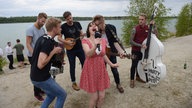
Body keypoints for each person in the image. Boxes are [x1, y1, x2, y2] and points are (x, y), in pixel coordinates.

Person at [80, 22, 118, 108]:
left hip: (101, 69)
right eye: (91, 25)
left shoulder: (103, 40)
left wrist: (111, 64)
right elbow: (88, 54)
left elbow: (103, 54)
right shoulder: (85, 40)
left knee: (101, 97)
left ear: (98, 29)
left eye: (95, 25)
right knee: (94, 97)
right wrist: (95, 45)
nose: (93, 26)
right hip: (90, 69)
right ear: (88, 30)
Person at [30, 17, 67, 108]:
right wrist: (52, 53)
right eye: (59, 27)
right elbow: (40, 64)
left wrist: (58, 62)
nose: (61, 29)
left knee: (51, 95)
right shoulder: (47, 42)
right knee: (62, 94)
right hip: (41, 78)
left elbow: (43, 57)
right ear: (54, 28)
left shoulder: (43, 38)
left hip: (35, 76)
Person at [92, 15, 126, 93]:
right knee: (102, 69)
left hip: (111, 52)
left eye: (98, 24)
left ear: (103, 21)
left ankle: (118, 84)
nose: (97, 26)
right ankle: (101, 85)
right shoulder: (96, 32)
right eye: (96, 25)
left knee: (114, 69)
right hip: (101, 53)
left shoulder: (111, 28)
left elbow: (115, 41)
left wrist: (121, 51)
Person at [58, 11, 85, 91]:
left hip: (79, 48)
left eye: (70, 18)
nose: (70, 20)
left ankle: (85, 79)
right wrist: (66, 42)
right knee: (72, 66)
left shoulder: (77, 24)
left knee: (84, 63)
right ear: (65, 19)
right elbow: (59, 38)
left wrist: (82, 36)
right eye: (67, 19)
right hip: (70, 50)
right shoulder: (63, 26)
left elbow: (81, 33)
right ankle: (74, 82)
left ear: (72, 16)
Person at [129, 13, 158, 88]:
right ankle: (132, 80)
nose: (140, 21)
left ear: (145, 20)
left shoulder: (148, 28)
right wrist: (140, 45)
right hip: (135, 50)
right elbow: (131, 41)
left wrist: (154, 25)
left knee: (141, 64)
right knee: (134, 65)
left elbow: (156, 35)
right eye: (139, 19)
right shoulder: (134, 29)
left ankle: (138, 77)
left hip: (144, 51)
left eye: (142, 19)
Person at [26, 12, 47, 101]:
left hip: (41, 55)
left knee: (42, 72)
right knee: (36, 74)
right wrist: (35, 56)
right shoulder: (30, 29)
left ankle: (40, 89)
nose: (43, 23)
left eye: (44, 22)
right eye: (42, 21)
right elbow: (28, 44)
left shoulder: (42, 29)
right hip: (33, 55)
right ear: (38, 18)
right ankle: (36, 93)